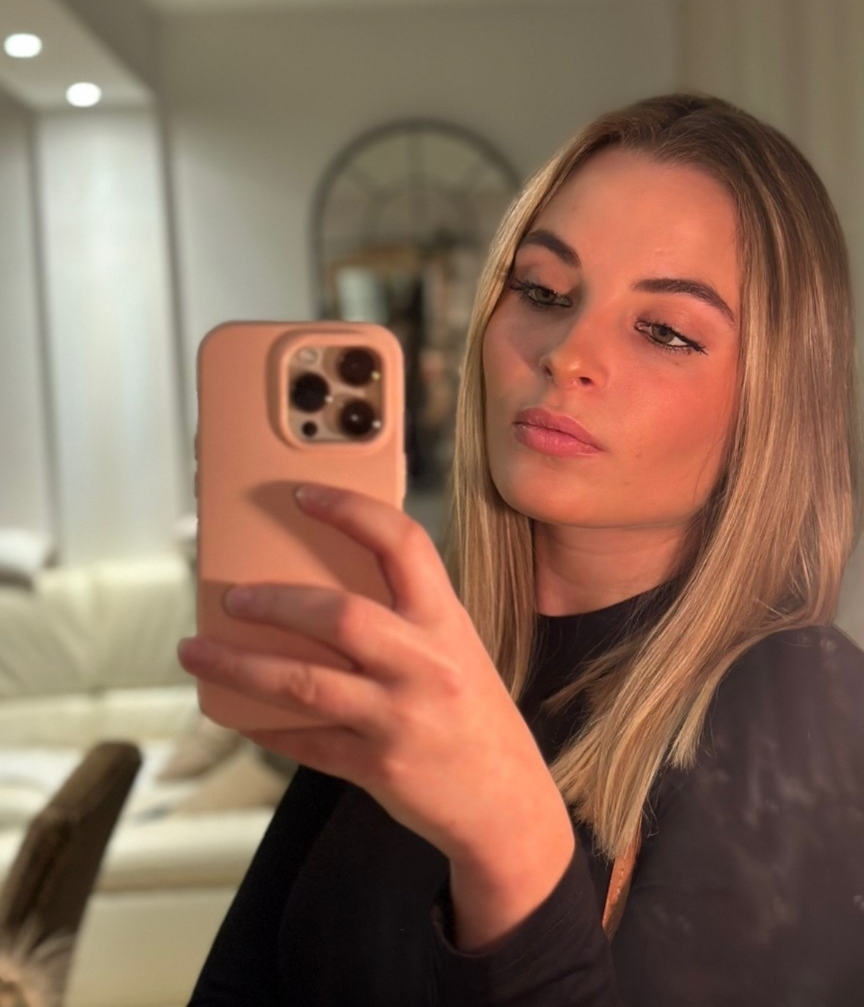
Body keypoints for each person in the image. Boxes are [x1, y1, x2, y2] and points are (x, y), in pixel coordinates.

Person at [179, 93, 864, 1006]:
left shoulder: (807, 704)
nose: (567, 351)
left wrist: (507, 843)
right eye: (542, 291)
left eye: (666, 330)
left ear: (770, 409)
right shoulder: (424, 664)